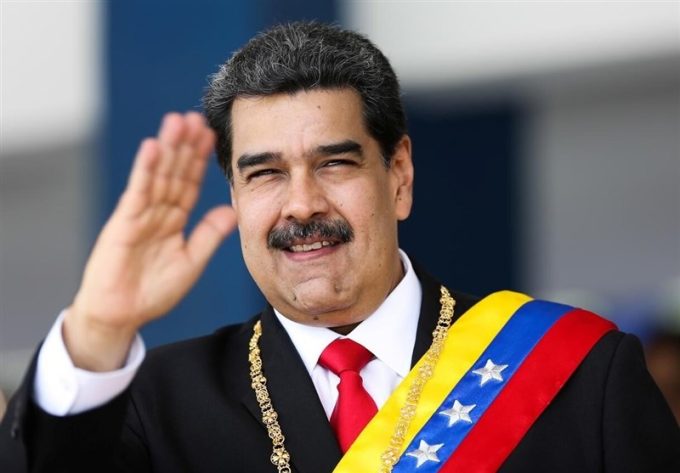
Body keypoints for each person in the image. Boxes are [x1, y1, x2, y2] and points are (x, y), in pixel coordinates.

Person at [0, 21, 678, 473]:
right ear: (233, 196)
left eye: (334, 163)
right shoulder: (155, 406)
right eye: (265, 173)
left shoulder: (580, 375)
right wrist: (97, 328)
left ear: (399, 176)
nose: (301, 205)